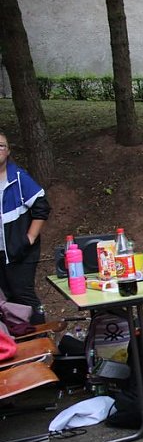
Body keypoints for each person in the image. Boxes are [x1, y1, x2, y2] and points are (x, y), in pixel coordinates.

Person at [0, 130, 50, 324]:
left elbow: (42, 207)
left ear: (8, 151)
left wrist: (29, 237)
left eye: (1, 146)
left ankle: (41, 336)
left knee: (23, 293)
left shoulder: (19, 178)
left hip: (20, 249)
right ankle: (18, 342)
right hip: (1, 251)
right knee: (6, 296)